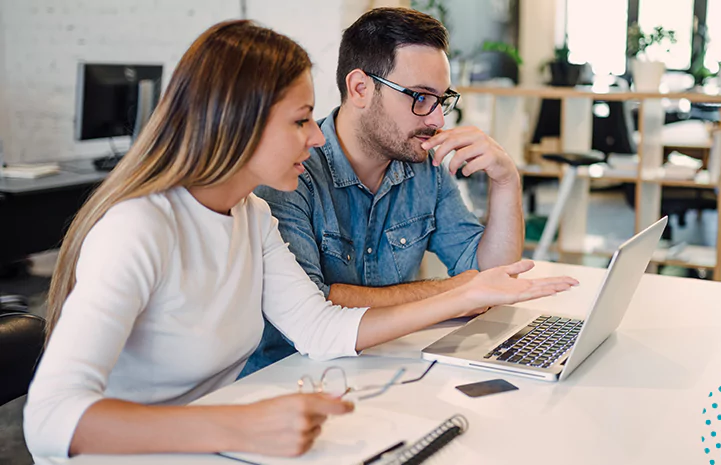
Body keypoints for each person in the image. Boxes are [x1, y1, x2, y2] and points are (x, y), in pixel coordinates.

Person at [23, 20, 577, 463]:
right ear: (236, 123)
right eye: (301, 120)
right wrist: (240, 423)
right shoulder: (137, 228)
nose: (316, 137)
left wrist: (467, 294)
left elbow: (318, 327)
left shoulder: (251, 213)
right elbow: (47, 421)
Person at [245, 7, 525, 374]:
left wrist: (506, 182)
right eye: (420, 97)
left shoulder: (425, 166)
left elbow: (492, 278)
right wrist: (457, 292)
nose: (437, 119)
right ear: (360, 88)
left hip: (393, 366)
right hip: (293, 377)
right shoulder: (290, 173)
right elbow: (317, 305)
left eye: (441, 100)